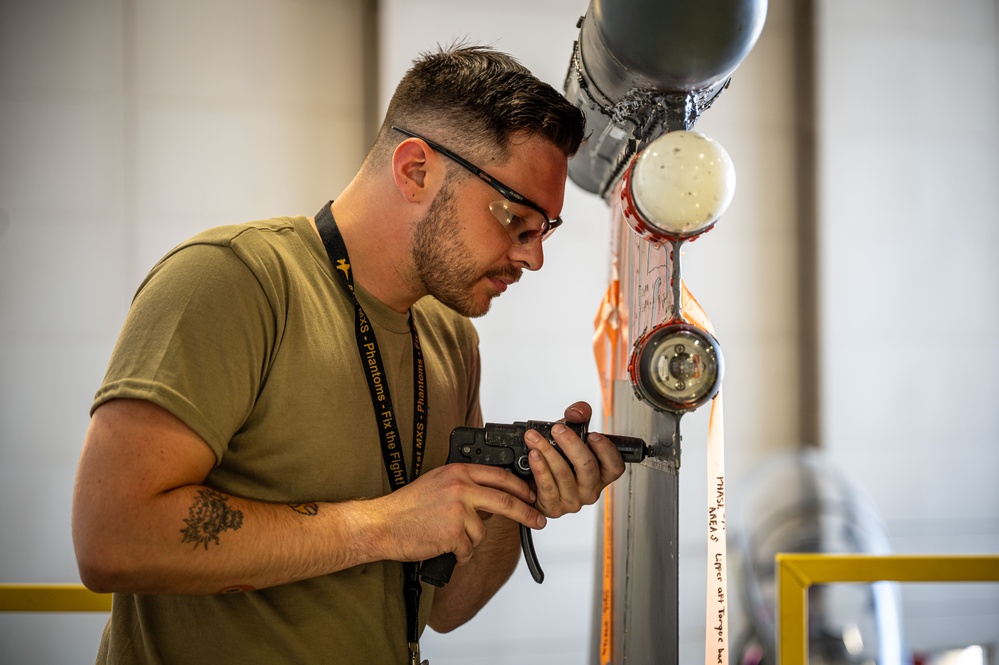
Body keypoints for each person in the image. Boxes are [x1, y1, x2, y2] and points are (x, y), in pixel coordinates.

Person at [71, 43, 625, 664]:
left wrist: (517, 501)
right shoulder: (232, 280)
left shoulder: (450, 337)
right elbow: (112, 538)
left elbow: (444, 608)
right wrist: (382, 525)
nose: (532, 257)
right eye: (515, 219)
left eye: (543, 229)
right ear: (416, 169)